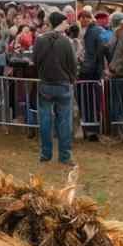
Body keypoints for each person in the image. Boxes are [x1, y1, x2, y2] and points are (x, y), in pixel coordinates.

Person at [34, 11, 77, 164]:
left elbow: (36, 60)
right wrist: (72, 79)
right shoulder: (67, 42)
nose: (67, 24)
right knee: (64, 121)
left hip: (46, 83)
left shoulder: (40, 40)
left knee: (45, 120)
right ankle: (65, 155)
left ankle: (46, 154)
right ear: (59, 22)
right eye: (65, 22)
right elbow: (72, 64)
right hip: (63, 84)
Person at [78, 9, 105, 140]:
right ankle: (91, 130)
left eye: (85, 18)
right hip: (94, 71)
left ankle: (90, 131)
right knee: (93, 102)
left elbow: (92, 54)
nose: (83, 20)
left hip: (90, 72)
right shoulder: (97, 30)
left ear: (90, 18)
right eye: (81, 18)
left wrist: (84, 67)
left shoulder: (92, 32)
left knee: (88, 102)